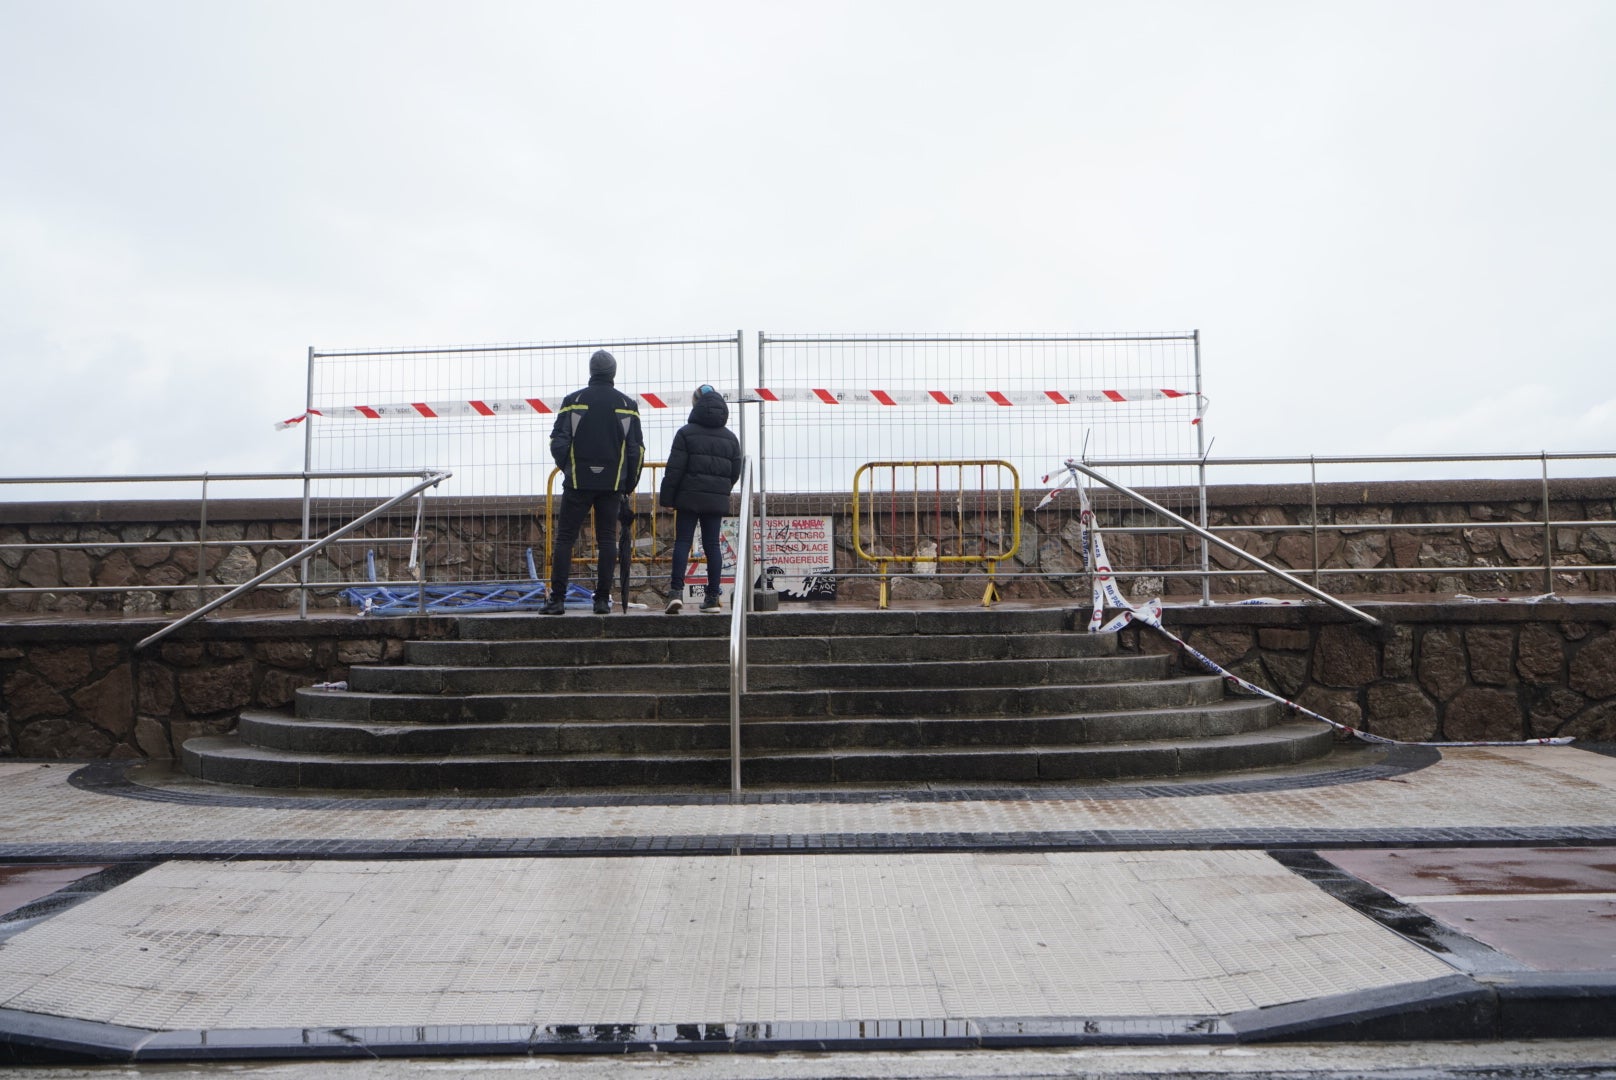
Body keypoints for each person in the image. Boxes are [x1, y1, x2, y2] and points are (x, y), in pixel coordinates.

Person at [540, 350, 644, 615]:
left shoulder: (573, 401)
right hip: (612, 483)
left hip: (577, 481)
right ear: (613, 372)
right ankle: (601, 601)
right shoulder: (627, 404)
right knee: (607, 539)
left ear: (591, 370)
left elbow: (557, 441)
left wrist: (569, 468)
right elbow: (637, 450)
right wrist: (628, 483)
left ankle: (558, 600)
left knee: (565, 538)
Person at [659, 384, 742, 613]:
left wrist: (667, 498)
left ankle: (676, 594)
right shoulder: (731, 438)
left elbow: (674, 469)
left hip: (688, 498)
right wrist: (721, 490)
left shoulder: (686, 433)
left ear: (696, 405)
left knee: (683, 543)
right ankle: (713, 597)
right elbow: (734, 472)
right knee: (712, 545)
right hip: (715, 500)